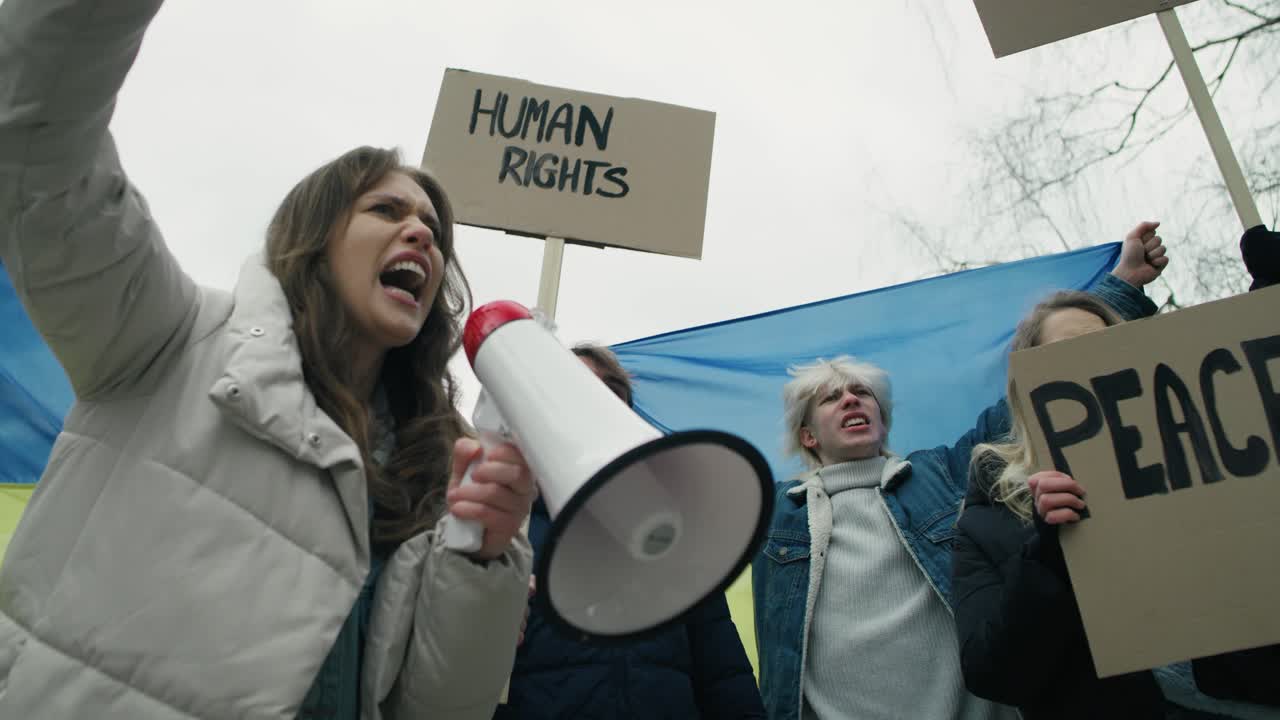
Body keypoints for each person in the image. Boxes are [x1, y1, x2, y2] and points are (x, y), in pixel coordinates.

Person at [0, 2, 535, 718]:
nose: (421, 235)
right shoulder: (164, 337)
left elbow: (439, 707)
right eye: (386, 211)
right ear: (314, 234)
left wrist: (481, 558)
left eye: (433, 229)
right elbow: (36, 140)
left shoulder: (440, 461)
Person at [751, 222, 1168, 720]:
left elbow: (1037, 392)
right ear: (808, 436)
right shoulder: (769, 513)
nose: (850, 399)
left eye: (862, 393)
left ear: (882, 417)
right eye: (830, 397)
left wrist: (1123, 285)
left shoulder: (944, 475)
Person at [953, 292, 1280, 718]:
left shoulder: (1212, 455)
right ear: (1028, 387)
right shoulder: (986, 522)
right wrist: (1048, 553)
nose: (1092, 361)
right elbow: (994, 673)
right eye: (1069, 352)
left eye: (1105, 344)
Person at [495, 343, 766, 720]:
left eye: (611, 390)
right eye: (576, 386)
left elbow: (723, 674)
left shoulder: (674, 536)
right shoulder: (503, 530)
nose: (597, 398)